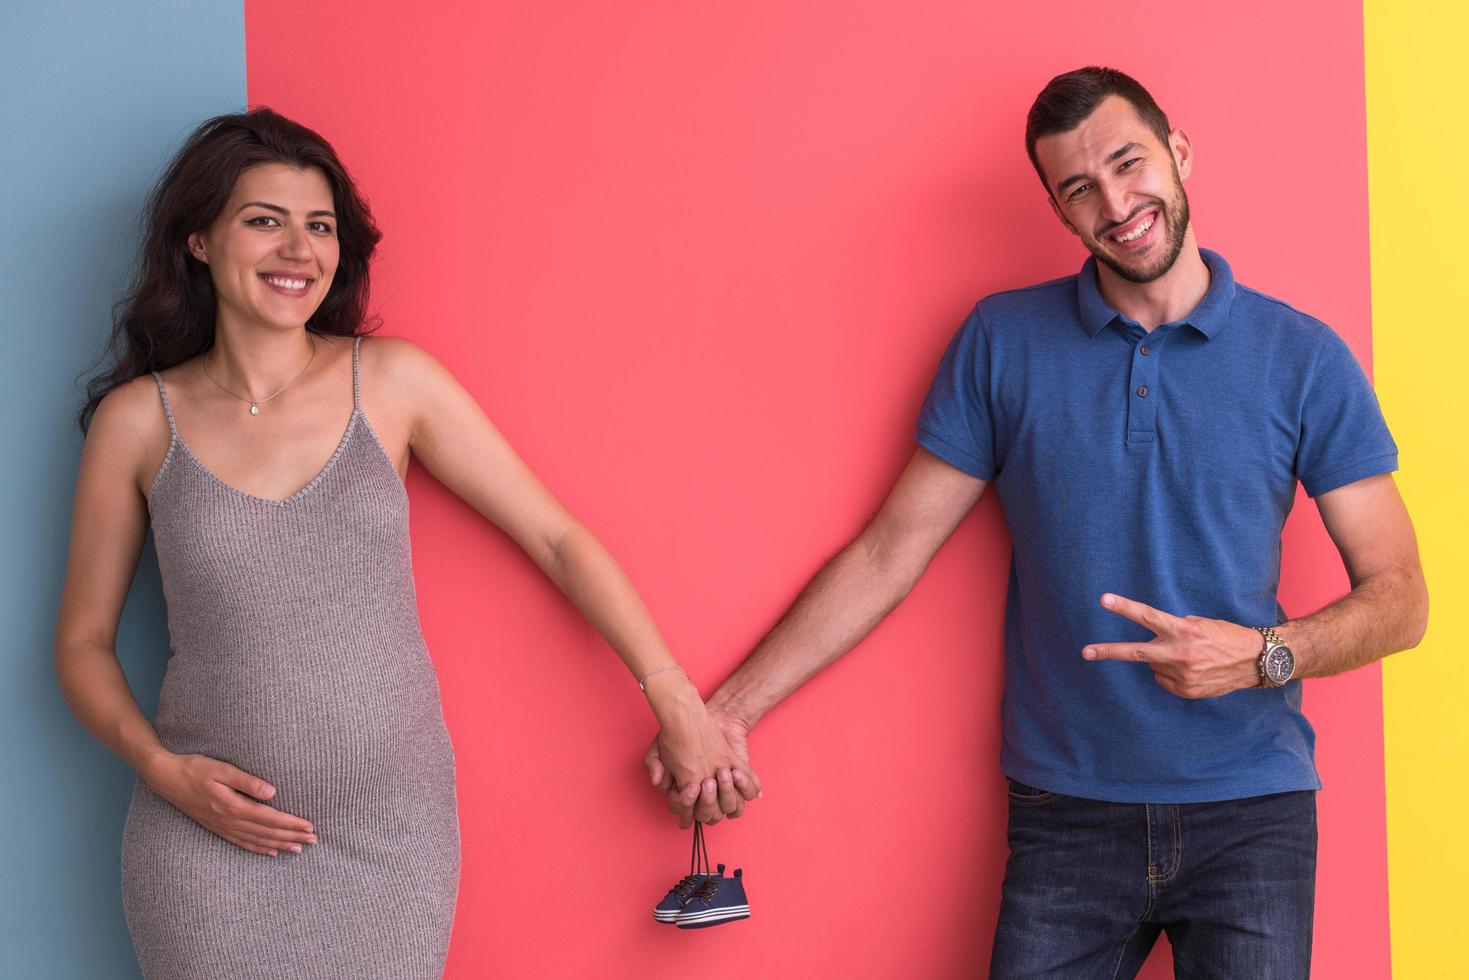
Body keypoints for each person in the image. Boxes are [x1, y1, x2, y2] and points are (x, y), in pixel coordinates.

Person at [644, 67, 1428, 977]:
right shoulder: (1002, 341)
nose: (1116, 202)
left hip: (1252, 811)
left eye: (1129, 163)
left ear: (1177, 154)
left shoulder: (1301, 358)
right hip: (1066, 812)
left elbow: (1400, 597)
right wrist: (724, 715)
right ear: (1058, 211)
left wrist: (1258, 656)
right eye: (1079, 189)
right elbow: (890, 551)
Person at [53, 108, 754, 979]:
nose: (299, 250)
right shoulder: (136, 421)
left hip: (388, 838)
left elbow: (555, 535)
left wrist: (674, 699)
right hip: (205, 840)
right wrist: (160, 770)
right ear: (198, 240)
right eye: (264, 220)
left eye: (320, 228)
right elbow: (81, 644)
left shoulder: (391, 382)